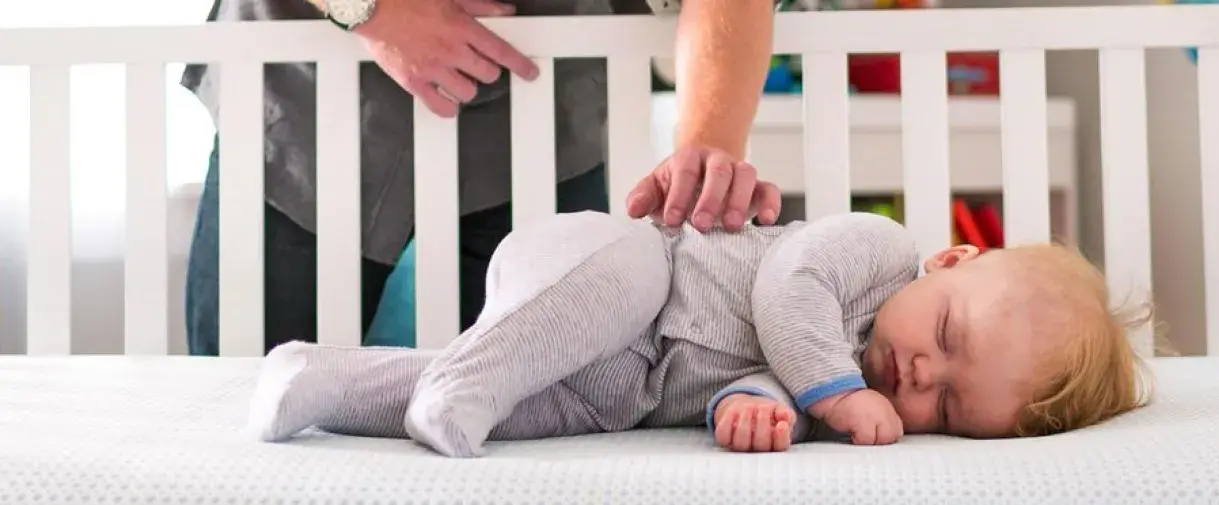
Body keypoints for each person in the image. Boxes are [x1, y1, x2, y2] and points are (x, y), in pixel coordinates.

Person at [244, 211, 1152, 456]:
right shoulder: (878, 253)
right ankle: (464, 382)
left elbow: (755, 378)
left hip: (625, 385)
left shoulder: (831, 395)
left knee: (538, 407)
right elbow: (783, 288)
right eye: (946, 335)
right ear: (953, 262)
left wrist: (756, 410)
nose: (920, 372)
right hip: (623, 266)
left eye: (947, 406)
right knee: (592, 304)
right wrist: (832, 392)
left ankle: (313, 384)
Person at [180, 0, 784, 356]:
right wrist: (371, 9)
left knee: (543, 410)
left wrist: (709, 146)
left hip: (538, 114)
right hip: (304, 97)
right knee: (246, 401)